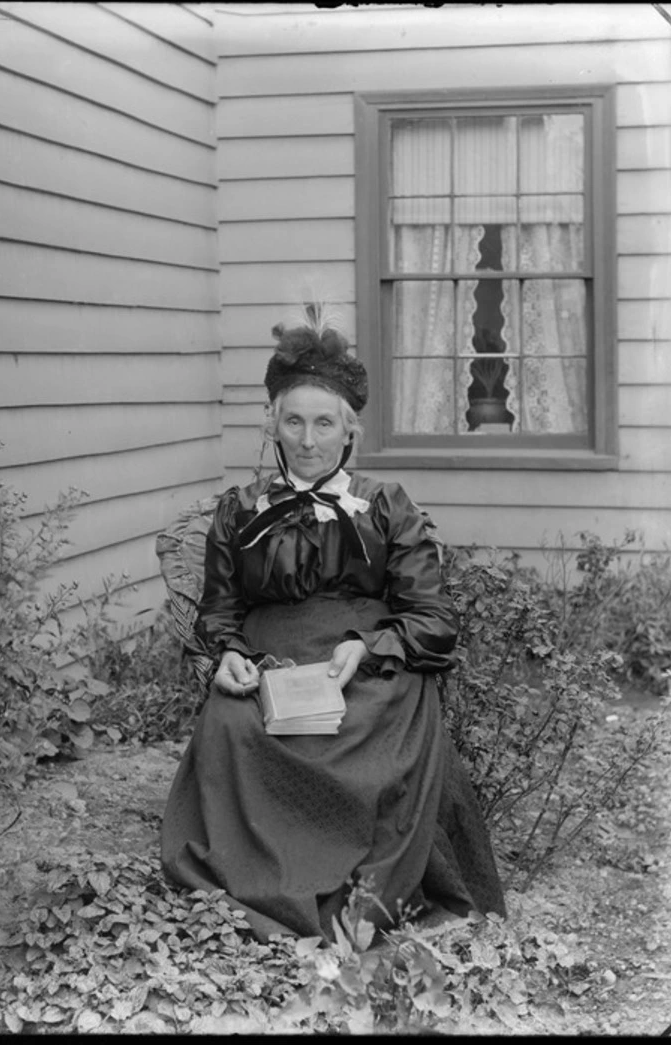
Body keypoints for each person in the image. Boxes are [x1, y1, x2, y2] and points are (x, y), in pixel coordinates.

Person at [160, 311, 506, 943]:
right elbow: (219, 608)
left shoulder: (385, 505)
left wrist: (371, 646)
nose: (309, 439)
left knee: (382, 727)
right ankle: (265, 883)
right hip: (272, 664)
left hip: (368, 663)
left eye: (325, 423)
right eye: (293, 421)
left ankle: (363, 895)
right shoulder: (239, 511)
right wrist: (228, 654)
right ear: (271, 423)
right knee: (232, 723)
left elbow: (433, 618)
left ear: (352, 430)